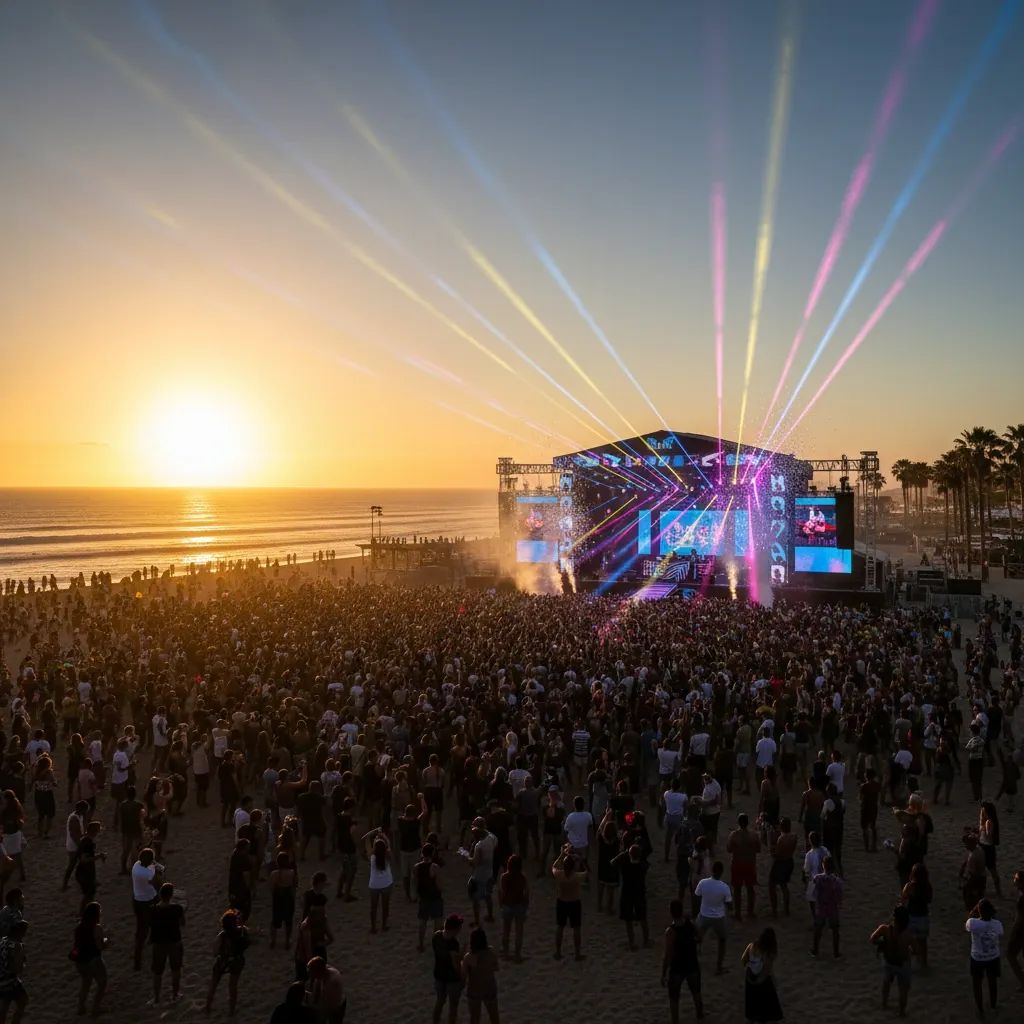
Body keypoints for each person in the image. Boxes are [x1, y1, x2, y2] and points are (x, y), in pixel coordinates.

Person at [661, 899, 704, 1024]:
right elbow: (699, 937)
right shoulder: (690, 925)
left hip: (677, 967)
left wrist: (663, 972)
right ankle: (700, 1014)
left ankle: (675, 1020)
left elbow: (668, 954)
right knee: (696, 992)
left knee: (674, 997)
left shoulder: (670, 931)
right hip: (692, 963)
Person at [870, 904, 916, 1018]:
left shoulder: (884, 929)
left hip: (889, 961)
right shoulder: (908, 934)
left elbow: (872, 939)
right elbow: (917, 950)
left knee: (886, 983)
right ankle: (901, 1012)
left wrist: (882, 944)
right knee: (903, 990)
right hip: (903, 963)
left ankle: (884, 1004)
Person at [204, 908, 249, 1016]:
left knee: (214, 984)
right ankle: (231, 1011)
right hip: (237, 960)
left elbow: (215, 952)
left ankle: (207, 1007)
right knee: (233, 986)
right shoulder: (242, 931)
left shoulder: (222, 935)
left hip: (223, 961)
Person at [966, 898, 1003, 1018]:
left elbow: (968, 923)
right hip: (993, 957)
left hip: (977, 958)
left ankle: (980, 1009)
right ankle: (993, 1005)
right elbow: (1000, 934)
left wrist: (973, 912)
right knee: (992, 982)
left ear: (978, 911)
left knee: (977, 984)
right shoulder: (997, 924)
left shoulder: (973, 923)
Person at [149, 882, 185, 1004]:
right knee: (175, 969)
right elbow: (182, 923)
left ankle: (156, 998)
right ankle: (175, 995)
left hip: (159, 942)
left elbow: (150, 925)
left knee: (157, 972)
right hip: (174, 941)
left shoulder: (153, 910)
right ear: (171, 895)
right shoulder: (177, 908)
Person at [694, 860, 731, 974]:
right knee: (722, 940)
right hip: (718, 917)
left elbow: (697, 896)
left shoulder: (703, 883)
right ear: (721, 872)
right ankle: (719, 967)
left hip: (704, 914)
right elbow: (729, 904)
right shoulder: (724, 887)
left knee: (697, 937)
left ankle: (695, 959)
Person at [612, 842, 650, 950]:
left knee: (628, 919)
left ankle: (631, 942)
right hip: (639, 892)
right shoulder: (642, 866)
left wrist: (623, 854)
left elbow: (613, 862)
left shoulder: (625, 864)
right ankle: (646, 941)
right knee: (643, 917)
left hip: (627, 893)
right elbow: (646, 864)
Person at [72, 901, 107, 1016]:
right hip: (93, 960)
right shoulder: (97, 928)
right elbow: (100, 946)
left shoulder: (79, 927)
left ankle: (81, 1007)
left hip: (80, 961)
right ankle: (95, 1009)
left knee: (85, 984)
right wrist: (106, 941)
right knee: (102, 983)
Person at [741, 927, 783, 1024]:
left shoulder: (751, 946)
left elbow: (743, 960)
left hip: (750, 977)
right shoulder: (768, 953)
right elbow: (767, 970)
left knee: (751, 1002)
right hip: (762, 980)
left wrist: (750, 969)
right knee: (764, 1006)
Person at [131, 848, 163, 971]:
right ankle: (138, 960)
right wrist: (158, 871)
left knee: (140, 928)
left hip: (137, 900)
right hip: (148, 901)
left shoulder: (136, 866)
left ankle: (137, 959)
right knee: (145, 930)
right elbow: (157, 883)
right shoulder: (148, 873)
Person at [551, 844, 585, 961]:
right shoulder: (576, 876)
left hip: (562, 901)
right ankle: (577, 953)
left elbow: (554, 866)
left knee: (560, 927)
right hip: (574, 902)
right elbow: (587, 872)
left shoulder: (559, 875)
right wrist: (581, 860)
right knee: (576, 929)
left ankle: (558, 952)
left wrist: (562, 854)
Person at [725, 813, 760, 921]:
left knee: (737, 889)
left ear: (738, 822)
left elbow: (729, 849)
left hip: (738, 863)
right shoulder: (754, 835)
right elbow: (758, 849)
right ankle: (750, 911)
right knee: (750, 888)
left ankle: (738, 913)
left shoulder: (734, 835)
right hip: (750, 863)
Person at [461, 927, 499, 1024]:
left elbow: (463, 975)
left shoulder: (468, 957)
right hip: (489, 987)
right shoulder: (491, 952)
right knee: (494, 1016)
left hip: (474, 989)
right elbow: (496, 968)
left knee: (474, 1018)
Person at [432, 914, 464, 1024]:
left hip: (439, 974)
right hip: (451, 978)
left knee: (440, 1001)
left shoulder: (436, 936)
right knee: (453, 1005)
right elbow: (455, 963)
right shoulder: (453, 943)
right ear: (455, 929)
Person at [901, 862, 932, 970]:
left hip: (912, 916)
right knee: (923, 942)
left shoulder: (910, 886)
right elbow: (929, 900)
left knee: (908, 941)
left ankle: (909, 964)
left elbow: (903, 898)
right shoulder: (927, 886)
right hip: (923, 916)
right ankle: (924, 963)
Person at [810, 855, 843, 959]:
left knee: (818, 930)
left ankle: (815, 950)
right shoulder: (837, 881)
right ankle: (836, 952)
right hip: (832, 908)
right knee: (835, 931)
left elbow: (811, 894)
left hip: (821, 908)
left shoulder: (817, 878)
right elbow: (839, 896)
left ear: (823, 866)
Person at [497, 854, 528, 962]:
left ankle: (506, 954)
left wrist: (501, 904)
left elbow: (502, 892)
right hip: (519, 905)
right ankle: (517, 955)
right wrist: (526, 905)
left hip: (507, 905)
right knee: (519, 931)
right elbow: (526, 893)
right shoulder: (522, 877)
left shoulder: (504, 877)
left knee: (506, 931)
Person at [767, 817, 796, 918]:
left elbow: (777, 854)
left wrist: (772, 849)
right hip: (789, 861)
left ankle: (774, 910)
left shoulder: (781, 839)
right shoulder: (794, 836)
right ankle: (786, 909)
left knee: (771, 886)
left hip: (780, 863)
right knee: (784, 885)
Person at [365, 832, 393, 933]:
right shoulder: (388, 856)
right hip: (386, 883)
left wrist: (373, 832)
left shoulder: (372, 857)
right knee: (385, 906)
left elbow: (366, 839)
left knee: (373, 908)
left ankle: (373, 927)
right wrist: (383, 836)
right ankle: (384, 925)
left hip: (374, 885)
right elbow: (389, 843)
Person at [0, 920, 28, 1024]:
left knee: (4, 1007)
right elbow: (16, 968)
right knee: (23, 1001)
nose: (24, 935)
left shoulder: (3, 941)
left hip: (1, 980)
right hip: (10, 982)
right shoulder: (16, 946)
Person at [269, 851, 297, 950]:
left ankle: (273, 940)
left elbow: (272, 888)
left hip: (278, 897)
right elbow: (293, 887)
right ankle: (287, 941)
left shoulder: (274, 874)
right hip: (288, 897)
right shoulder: (291, 873)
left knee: (275, 920)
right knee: (288, 921)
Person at [307, 956, 346, 1024]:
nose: (310, 975)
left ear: (318, 971)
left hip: (336, 1008)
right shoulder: (325, 969)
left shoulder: (331, 983)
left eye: (311, 973)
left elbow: (328, 1007)